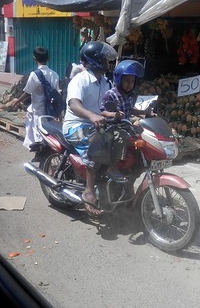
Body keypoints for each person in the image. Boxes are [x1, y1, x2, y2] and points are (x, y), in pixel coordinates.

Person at [62, 41, 120, 217]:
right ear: (96, 60)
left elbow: (109, 105)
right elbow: (73, 104)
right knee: (95, 150)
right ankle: (88, 191)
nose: (108, 63)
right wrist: (91, 116)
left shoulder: (106, 82)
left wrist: (119, 114)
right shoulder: (80, 79)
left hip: (99, 126)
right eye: (105, 60)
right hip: (76, 126)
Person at [12, 46, 60, 151]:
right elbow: (57, 92)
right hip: (50, 111)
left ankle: (40, 155)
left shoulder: (34, 74)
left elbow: (27, 93)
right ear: (48, 59)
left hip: (37, 111)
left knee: (37, 135)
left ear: (34, 58)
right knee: (48, 133)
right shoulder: (54, 74)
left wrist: (16, 102)